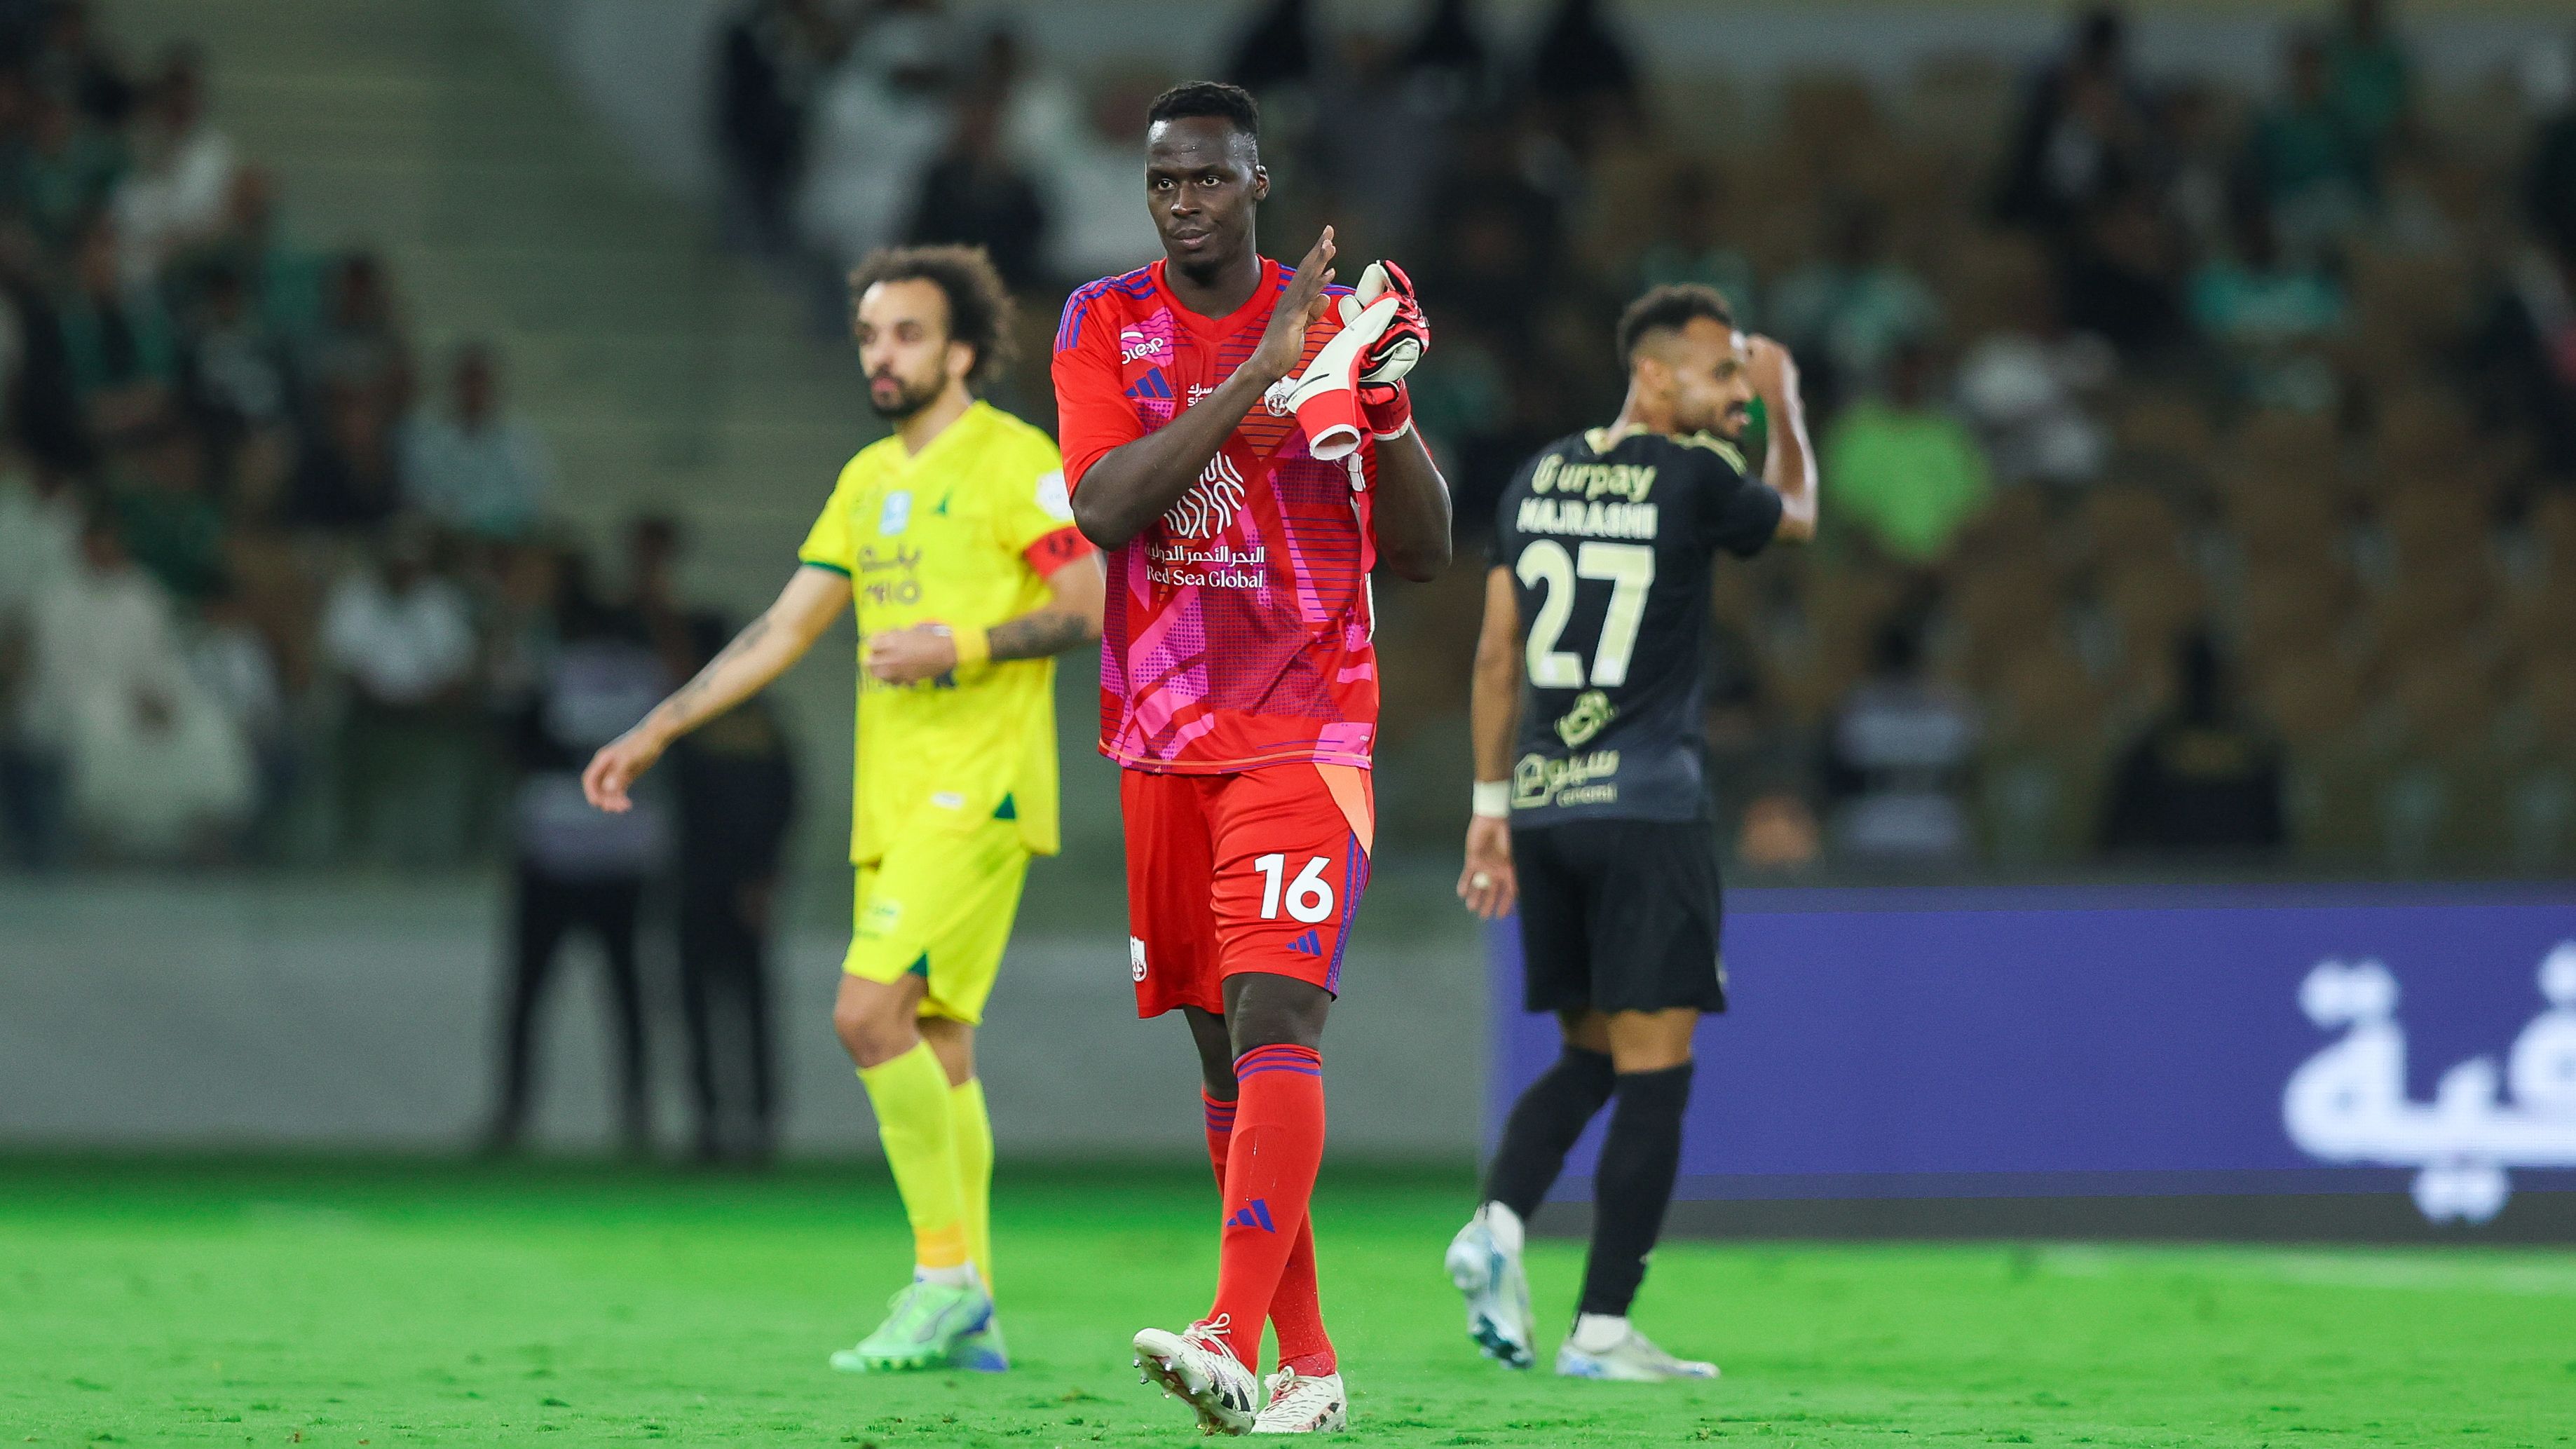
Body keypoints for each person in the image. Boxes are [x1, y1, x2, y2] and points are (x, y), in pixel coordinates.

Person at [582, 243, 1103, 1375]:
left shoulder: (1017, 459)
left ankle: (943, 1277)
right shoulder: (868, 480)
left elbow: (1088, 602)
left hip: (983, 785)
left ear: (961, 349)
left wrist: (957, 642)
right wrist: (657, 727)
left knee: (866, 1017)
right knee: (939, 1047)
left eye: (907, 333)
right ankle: (979, 1314)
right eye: (870, 334)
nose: (882, 352)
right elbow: (781, 629)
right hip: (896, 802)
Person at [1051, 81, 1452, 1436]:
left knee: (1282, 1021)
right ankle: (1314, 1366)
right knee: (1225, 1065)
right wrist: (1259, 373)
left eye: (1210, 179)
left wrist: (1377, 409)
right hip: (1164, 741)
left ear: (1258, 182)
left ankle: (1228, 1330)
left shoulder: (1340, 324)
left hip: (1305, 725)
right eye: (1165, 181)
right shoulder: (1103, 323)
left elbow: (1426, 547)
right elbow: (1105, 506)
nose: (1184, 202)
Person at [1451, 283, 1815, 1380]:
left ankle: (1498, 1225)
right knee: (1656, 1074)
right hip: (1648, 809)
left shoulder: (1536, 473)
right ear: (1652, 374)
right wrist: (1789, 403)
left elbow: (1491, 657)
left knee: (1587, 1052)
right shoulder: (1695, 476)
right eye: (1719, 376)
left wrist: (1488, 810)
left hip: (1548, 808)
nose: (1733, 398)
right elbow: (1793, 515)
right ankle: (1600, 1328)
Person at [488, 561, 671, 1157]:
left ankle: (513, 1114)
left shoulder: (554, 670)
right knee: (627, 1000)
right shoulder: (647, 679)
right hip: (624, 851)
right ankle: (638, 1118)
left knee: (528, 997)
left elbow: (517, 742)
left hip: (553, 848)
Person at [669, 611, 796, 1166]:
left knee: (717, 1009)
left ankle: (723, 1124)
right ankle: (747, 1123)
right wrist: (765, 873)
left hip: (710, 884)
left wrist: (759, 874)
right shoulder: (760, 720)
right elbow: (786, 800)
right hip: (733, 885)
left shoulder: (698, 718)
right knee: (742, 1009)